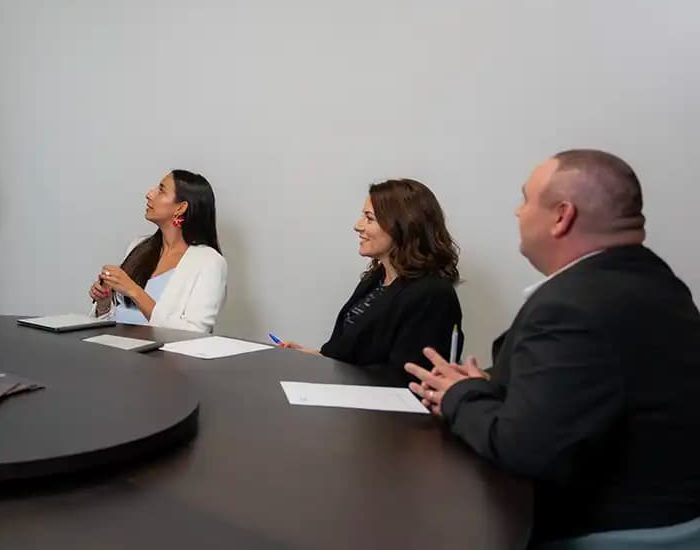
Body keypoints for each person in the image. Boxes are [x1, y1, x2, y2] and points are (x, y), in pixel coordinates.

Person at [406, 150, 700, 547]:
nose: (517, 212)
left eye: (526, 199)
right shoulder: (658, 282)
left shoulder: (572, 307)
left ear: (562, 216)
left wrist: (459, 394)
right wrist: (489, 386)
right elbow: (577, 394)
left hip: (601, 530)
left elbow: (524, 449)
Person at [277, 179, 462, 386]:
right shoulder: (376, 279)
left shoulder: (432, 295)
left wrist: (327, 370)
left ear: (401, 226)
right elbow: (348, 353)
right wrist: (311, 357)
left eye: (369, 218)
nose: (358, 226)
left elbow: (405, 379)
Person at [89, 170, 227, 334]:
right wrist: (103, 303)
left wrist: (134, 291)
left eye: (161, 190)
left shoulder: (209, 262)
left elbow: (196, 333)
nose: (149, 194)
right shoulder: (138, 246)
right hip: (117, 353)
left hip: (163, 358)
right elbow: (115, 321)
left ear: (181, 207)